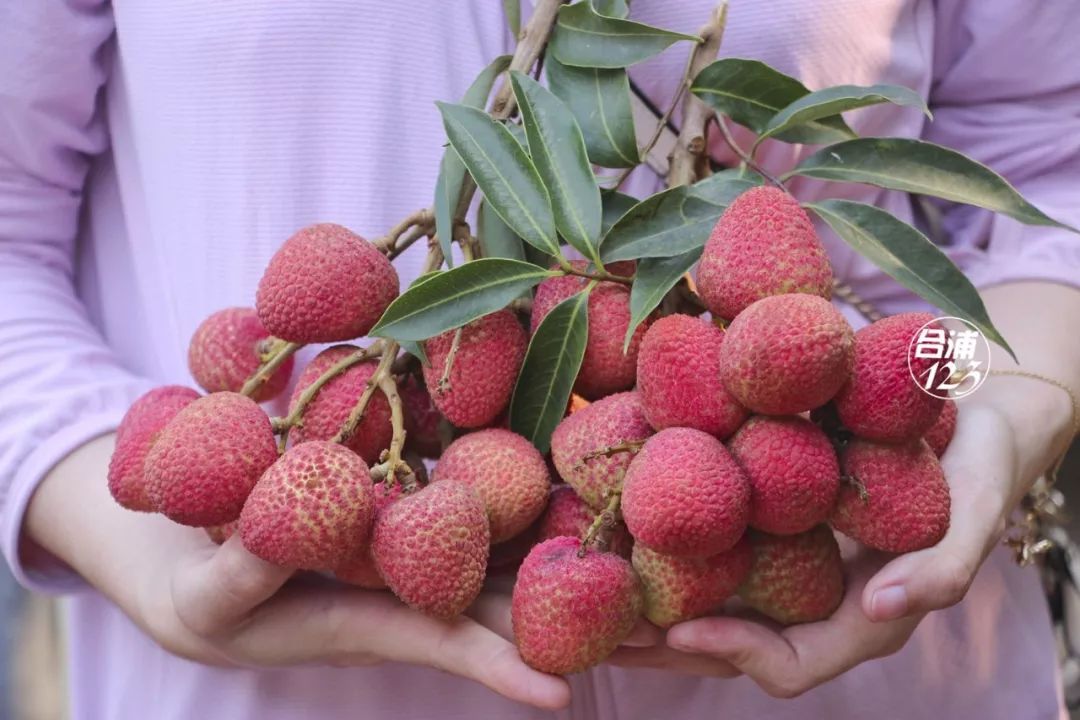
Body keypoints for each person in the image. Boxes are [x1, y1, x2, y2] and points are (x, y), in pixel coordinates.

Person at [2, 1, 1078, 718]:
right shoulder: (352, 419)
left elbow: (1049, 165)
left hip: (911, 672)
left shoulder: (813, 374)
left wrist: (996, 403)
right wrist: (125, 548)